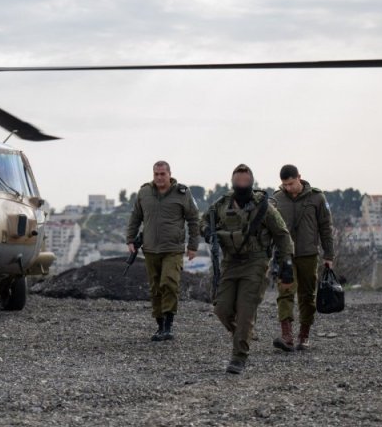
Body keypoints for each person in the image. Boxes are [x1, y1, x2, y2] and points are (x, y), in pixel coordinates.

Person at [201, 164, 294, 374]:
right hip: (230, 262)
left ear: (251, 182)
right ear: (232, 182)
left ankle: (239, 357)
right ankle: (243, 334)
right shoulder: (222, 204)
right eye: (238, 180)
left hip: (255, 262)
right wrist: (207, 231)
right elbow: (203, 221)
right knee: (222, 309)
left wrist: (286, 262)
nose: (241, 184)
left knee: (245, 311)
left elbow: (282, 234)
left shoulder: (263, 207)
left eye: (245, 180)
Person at [126, 160, 199, 342]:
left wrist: (193, 246)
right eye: (156, 174)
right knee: (155, 287)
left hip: (172, 249)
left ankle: (168, 324)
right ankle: (160, 326)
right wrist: (130, 239)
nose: (159, 178)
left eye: (162, 174)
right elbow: (135, 217)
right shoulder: (144, 193)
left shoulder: (182, 193)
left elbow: (193, 219)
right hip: (150, 249)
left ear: (169, 174)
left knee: (169, 283)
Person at [271, 164, 335, 351]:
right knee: (285, 293)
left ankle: (304, 335)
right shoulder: (277, 199)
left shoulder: (317, 197)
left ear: (299, 177)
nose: (288, 188)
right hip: (285, 255)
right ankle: (287, 336)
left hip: (308, 254)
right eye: (285, 184)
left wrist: (329, 255)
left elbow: (325, 227)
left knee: (307, 296)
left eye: (291, 183)